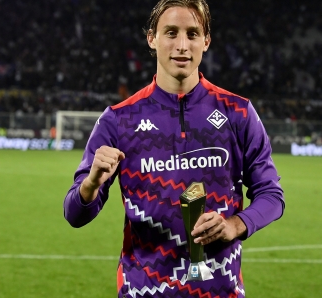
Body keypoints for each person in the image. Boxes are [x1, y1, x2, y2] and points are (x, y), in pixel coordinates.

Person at [63, 0, 285, 296]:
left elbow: (272, 196)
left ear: (206, 42)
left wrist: (237, 224)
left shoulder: (238, 113)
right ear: (152, 39)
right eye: (171, 33)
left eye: (192, 34)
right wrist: (90, 185)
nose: (182, 45)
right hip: (142, 291)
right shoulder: (118, 120)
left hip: (219, 291)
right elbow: (74, 214)